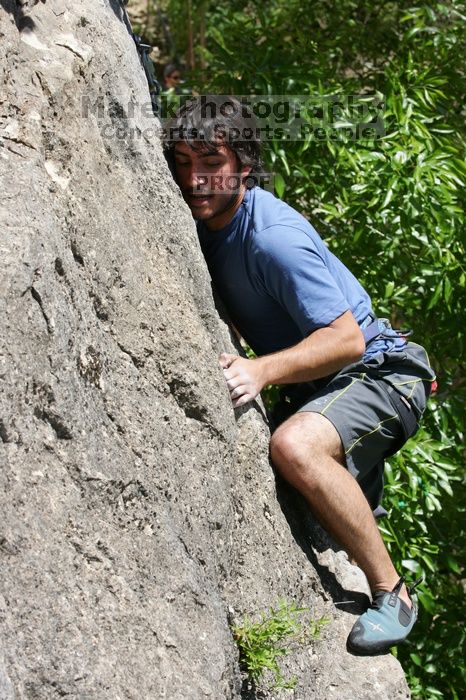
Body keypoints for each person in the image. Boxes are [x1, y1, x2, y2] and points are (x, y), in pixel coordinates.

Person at [163, 96, 435, 655]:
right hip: (327, 385)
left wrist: (261, 370)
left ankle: (394, 593)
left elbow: (347, 339)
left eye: (210, 161)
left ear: (243, 163)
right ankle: (356, 490)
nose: (194, 178)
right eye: (183, 161)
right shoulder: (205, 221)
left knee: (295, 447)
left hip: (383, 373)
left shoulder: (271, 237)